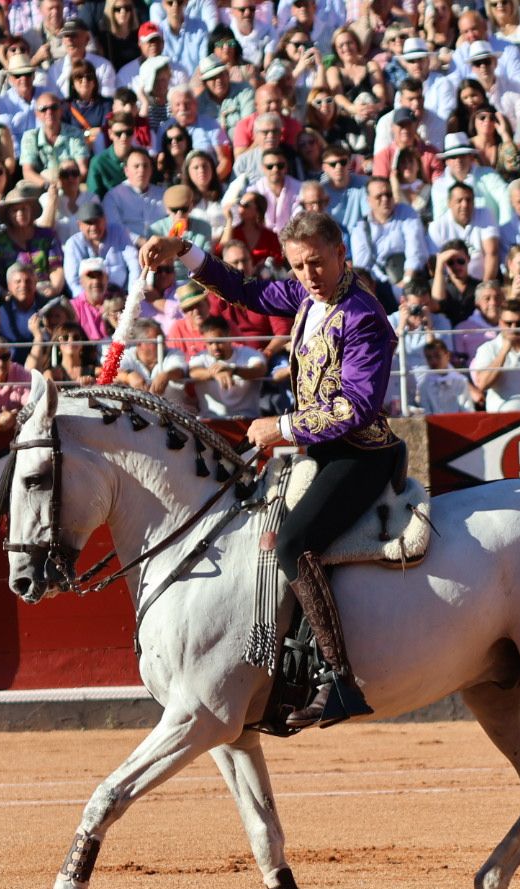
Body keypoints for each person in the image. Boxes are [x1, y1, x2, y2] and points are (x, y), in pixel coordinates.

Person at [140, 211, 403, 727]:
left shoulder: (364, 316)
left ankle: (339, 680)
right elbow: (248, 293)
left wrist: (282, 427)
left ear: (340, 252)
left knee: (290, 543)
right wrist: (183, 250)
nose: (309, 275)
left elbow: (357, 407)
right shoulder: (308, 296)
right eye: (299, 266)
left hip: (363, 455)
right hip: (322, 453)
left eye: (317, 263)